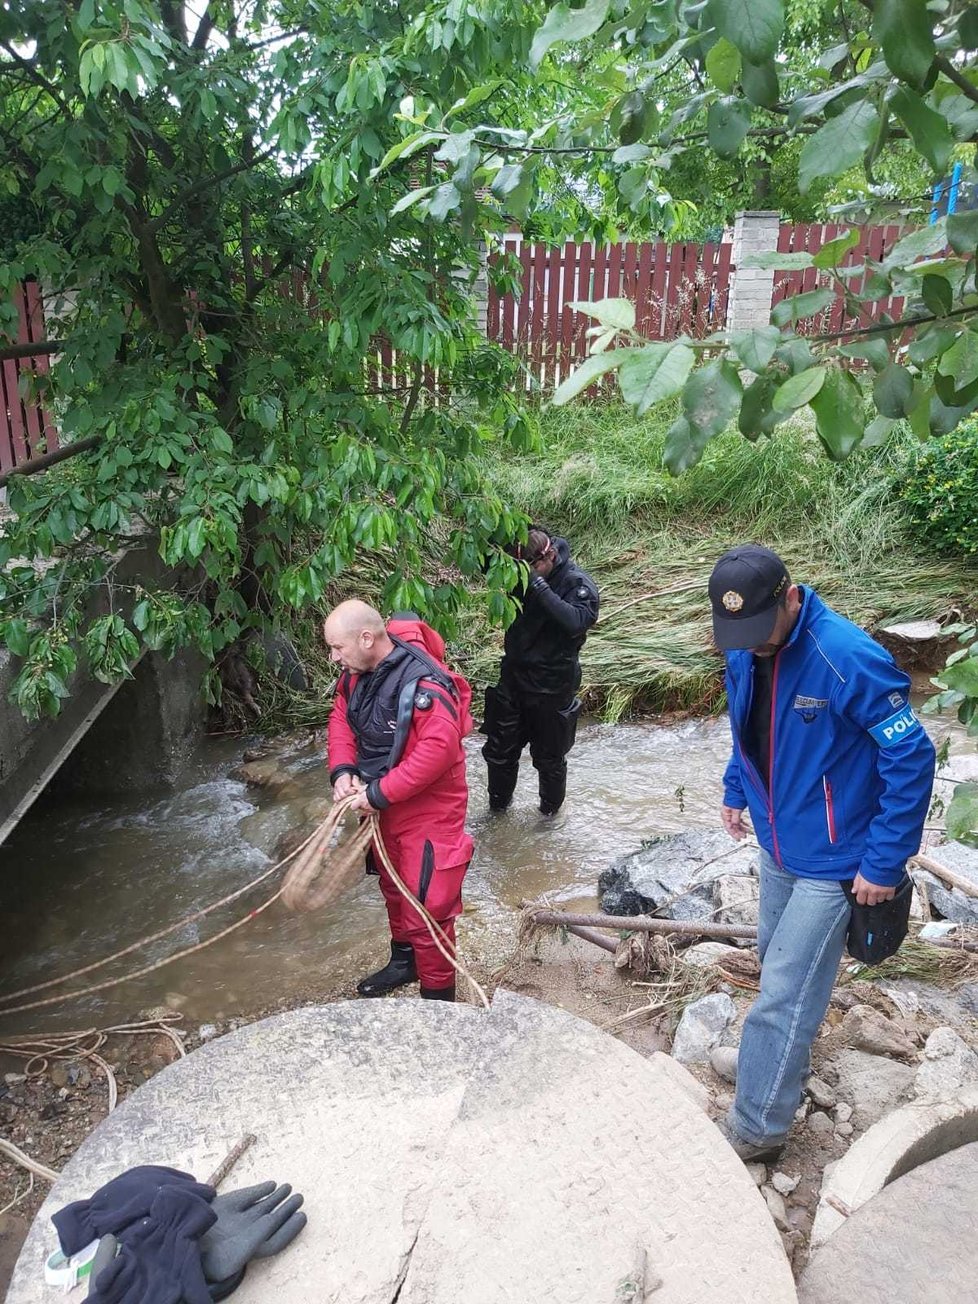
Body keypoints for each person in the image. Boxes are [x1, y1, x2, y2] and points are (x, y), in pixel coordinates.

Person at [710, 544, 935, 1162]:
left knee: (783, 992)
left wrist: (884, 861)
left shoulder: (847, 657)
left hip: (838, 861)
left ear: (789, 597)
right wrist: (737, 789)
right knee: (776, 966)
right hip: (779, 843)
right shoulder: (743, 642)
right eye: (738, 634)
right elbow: (745, 725)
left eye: (760, 631)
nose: (751, 645)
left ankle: (757, 1131)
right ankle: (772, 1069)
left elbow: (911, 756)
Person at [323, 600, 473, 1002]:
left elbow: (438, 752)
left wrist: (377, 794)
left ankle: (438, 999)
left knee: (428, 903)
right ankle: (404, 962)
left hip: (429, 808)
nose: (334, 657)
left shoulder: (423, 685)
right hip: (384, 803)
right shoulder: (355, 675)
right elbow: (341, 719)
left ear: (366, 638)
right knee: (393, 886)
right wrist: (342, 771)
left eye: (338, 648)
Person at [482, 527, 599, 816]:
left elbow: (577, 621)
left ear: (549, 556)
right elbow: (482, 553)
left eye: (531, 569)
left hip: (553, 683)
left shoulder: (576, 582)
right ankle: (497, 811)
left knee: (549, 758)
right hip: (514, 678)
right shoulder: (517, 571)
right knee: (499, 752)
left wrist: (538, 586)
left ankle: (549, 817)